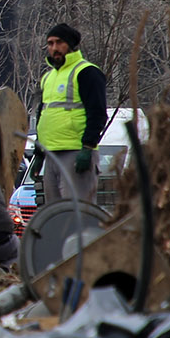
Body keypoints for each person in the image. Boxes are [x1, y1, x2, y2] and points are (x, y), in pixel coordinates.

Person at [32, 22, 106, 207]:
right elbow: (43, 114)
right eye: (50, 43)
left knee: (78, 212)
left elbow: (97, 113)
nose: (54, 48)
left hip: (76, 153)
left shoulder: (87, 72)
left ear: (71, 45)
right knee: (55, 216)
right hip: (52, 155)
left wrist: (88, 148)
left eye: (59, 43)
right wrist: (39, 153)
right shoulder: (48, 77)